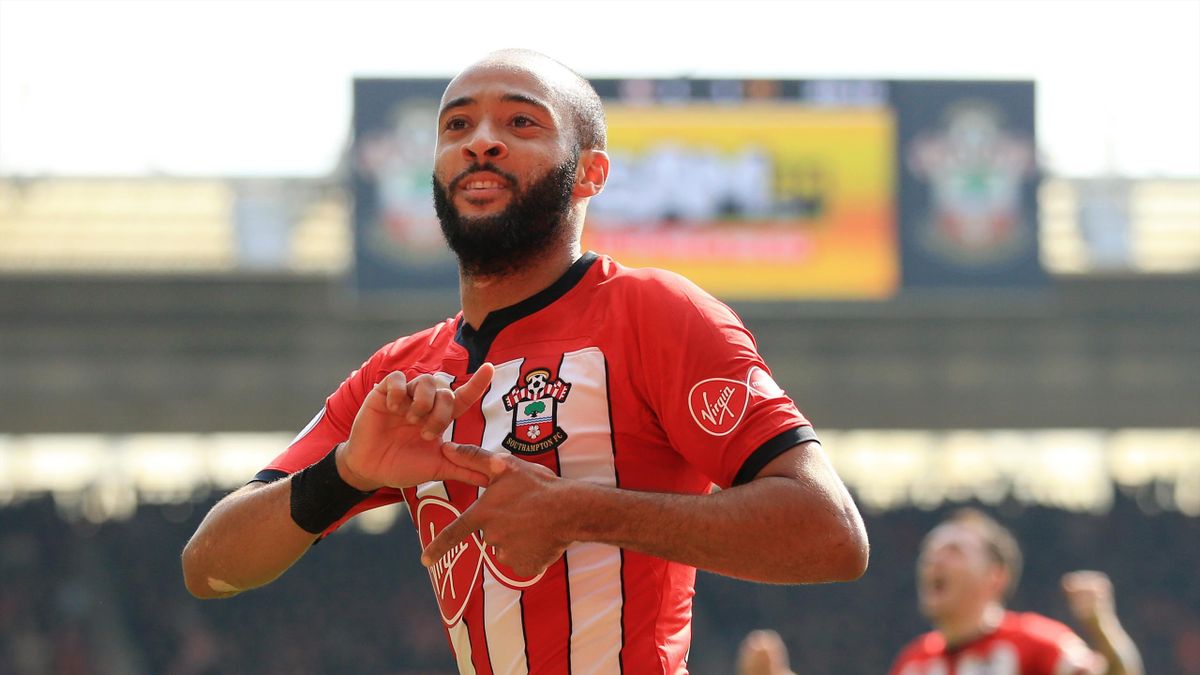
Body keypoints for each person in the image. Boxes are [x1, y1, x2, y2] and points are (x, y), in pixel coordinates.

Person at [181, 49, 869, 674]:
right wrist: (346, 473)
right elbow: (210, 567)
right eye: (456, 127)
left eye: (521, 122)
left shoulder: (655, 312)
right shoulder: (399, 376)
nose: (480, 140)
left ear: (590, 173)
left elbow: (831, 532)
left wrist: (581, 511)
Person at [889, 508, 1142, 675]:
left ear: (995, 577)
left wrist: (1101, 628)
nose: (934, 560)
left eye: (953, 551)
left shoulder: (1036, 643)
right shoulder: (913, 662)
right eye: (929, 552)